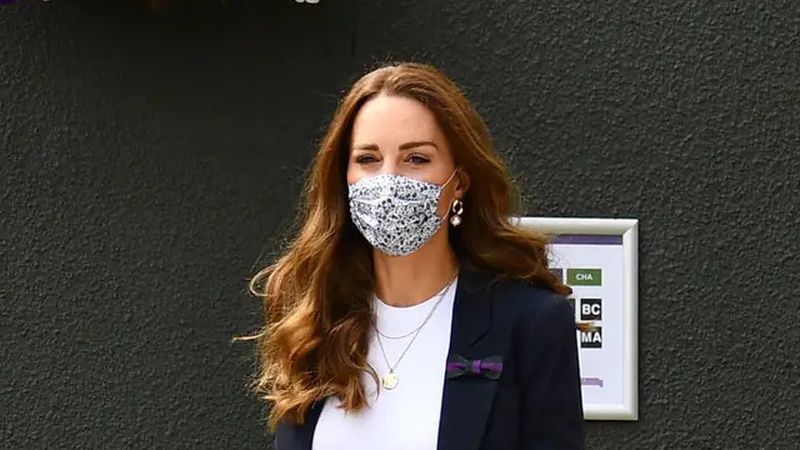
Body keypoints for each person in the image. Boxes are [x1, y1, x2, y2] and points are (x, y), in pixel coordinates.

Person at [248, 62, 585, 450]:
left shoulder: (530, 324)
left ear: (459, 182)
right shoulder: (315, 320)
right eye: (368, 159)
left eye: (416, 159)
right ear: (343, 178)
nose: (389, 181)